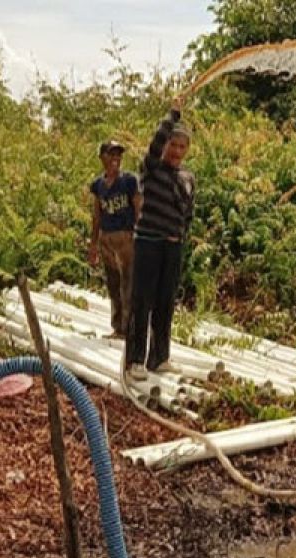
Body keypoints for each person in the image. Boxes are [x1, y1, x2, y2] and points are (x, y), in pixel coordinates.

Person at [124, 96, 196, 380]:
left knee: (166, 302)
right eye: (173, 145)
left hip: (172, 245)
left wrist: (180, 237)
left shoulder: (188, 178)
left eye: (181, 146)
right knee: (143, 301)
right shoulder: (152, 168)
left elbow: (188, 214)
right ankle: (135, 360)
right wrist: (172, 116)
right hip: (149, 242)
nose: (176, 150)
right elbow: (154, 144)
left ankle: (159, 357)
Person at [88, 140, 142, 338]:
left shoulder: (129, 181)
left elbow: (138, 207)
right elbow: (97, 215)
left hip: (125, 237)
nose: (115, 159)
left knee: (128, 284)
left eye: (118, 155)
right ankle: (118, 326)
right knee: (113, 284)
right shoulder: (98, 185)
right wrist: (93, 244)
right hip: (107, 239)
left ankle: (129, 329)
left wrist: (139, 234)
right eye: (111, 154)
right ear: (102, 157)